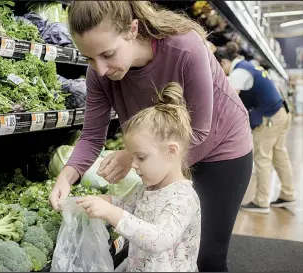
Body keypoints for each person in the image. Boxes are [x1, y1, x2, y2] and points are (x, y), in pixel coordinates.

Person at [49, 1, 253, 271]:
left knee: (206, 255)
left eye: (108, 54)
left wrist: (133, 154)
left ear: (133, 30)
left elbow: (200, 131)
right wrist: (66, 176)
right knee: (162, 247)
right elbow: (91, 137)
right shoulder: (99, 75)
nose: (100, 69)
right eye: (89, 58)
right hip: (160, 152)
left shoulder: (184, 48)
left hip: (220, 147)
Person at [76, 82, 201, 272]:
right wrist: (108, 201)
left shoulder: (182, 198)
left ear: (171, 151)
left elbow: (158, 239)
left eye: (141, 157)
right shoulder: (147, 187)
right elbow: (129, 207)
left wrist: (111, 213)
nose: (133, 165)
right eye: (132, 157)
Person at [214, 42, 295, 214]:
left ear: (223, 63)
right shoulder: (248, 65)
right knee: (280, 155)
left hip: (269, 117)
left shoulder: (238, 72)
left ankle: (261, 202)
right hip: (282, 113)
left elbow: (229, 101)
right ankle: (288, 193)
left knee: (262, 158)